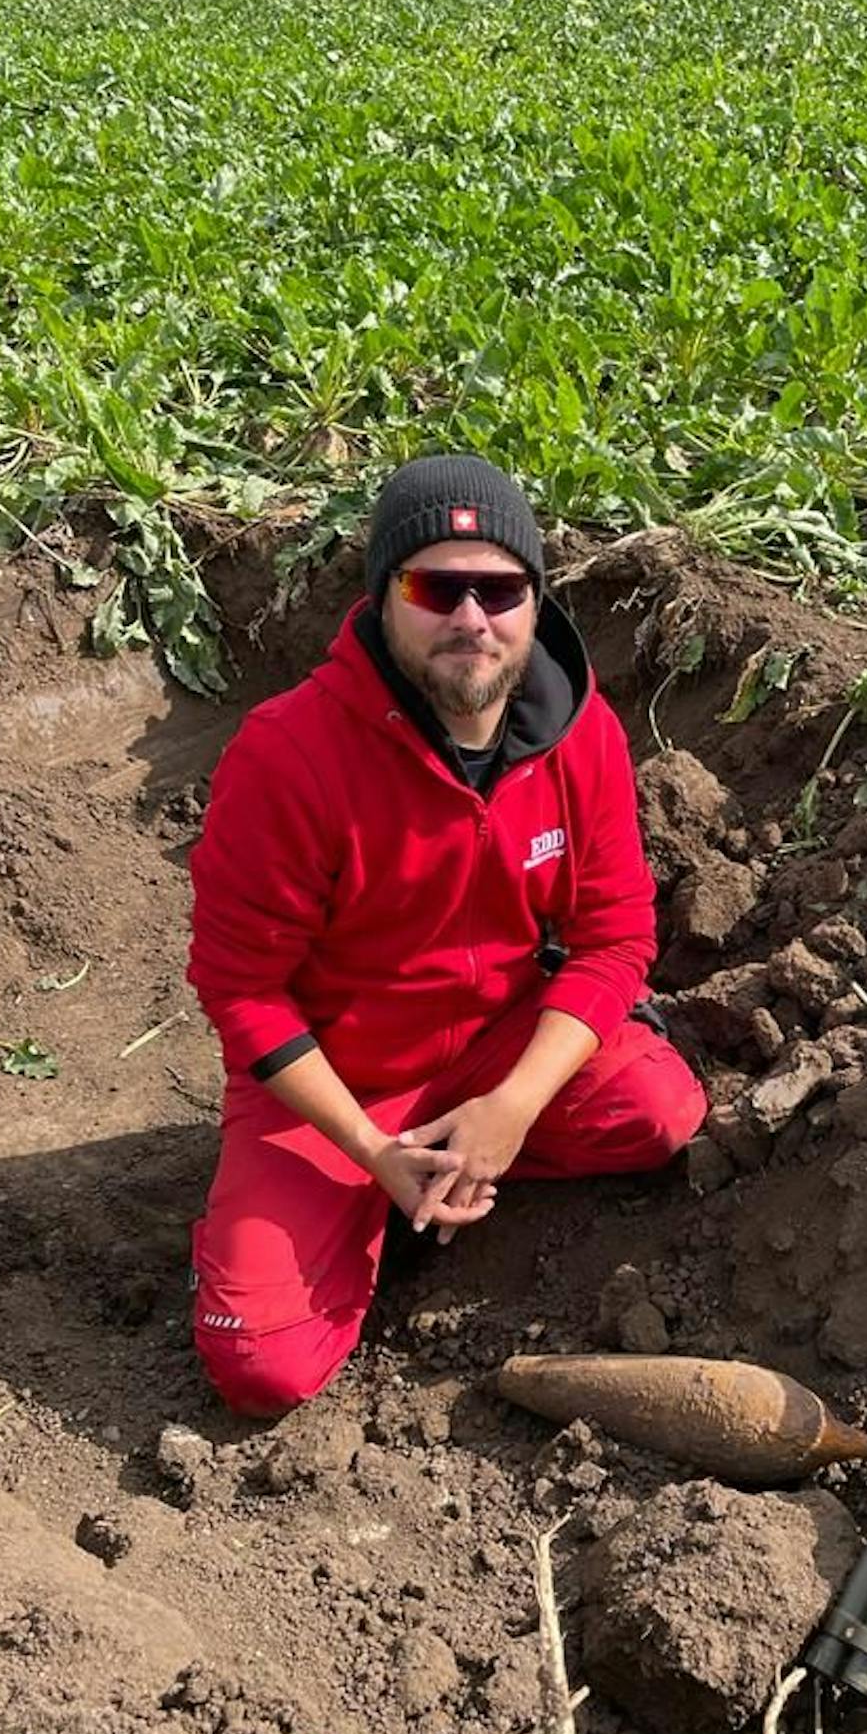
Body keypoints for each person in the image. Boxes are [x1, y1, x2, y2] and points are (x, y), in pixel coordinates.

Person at [186, 453, 707, 1416]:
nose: (472, 616)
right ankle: (366, 1197)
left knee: (659, 1109)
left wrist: (509, 1107)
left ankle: (441, 1166)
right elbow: (241, 990)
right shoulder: (287, 754)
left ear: (534, 602)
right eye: (437, 585)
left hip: (495, 1042)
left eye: (500, 588)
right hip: (340, 1083)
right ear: (386, 596)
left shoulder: (581, 731)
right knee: (260, 1367)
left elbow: (615, 938)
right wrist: (371, 1147)